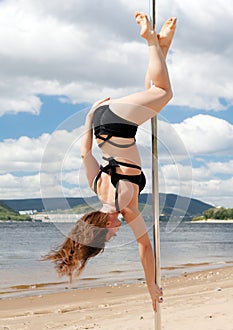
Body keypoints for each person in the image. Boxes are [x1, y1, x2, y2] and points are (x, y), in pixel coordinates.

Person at [44, 12, 176, 312]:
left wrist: (151, 286)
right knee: (151, 97)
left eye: (110, 235)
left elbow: (145, 247)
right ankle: (162, 48)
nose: (116, 235)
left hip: (118, 123)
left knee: (163, 93)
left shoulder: (125, 207)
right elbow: (85, 154)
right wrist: (90, 116)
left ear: (105, 225)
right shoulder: (97, 186)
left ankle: (150, 40)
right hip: (104, 122)